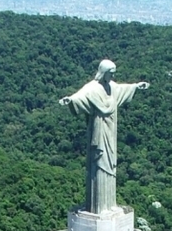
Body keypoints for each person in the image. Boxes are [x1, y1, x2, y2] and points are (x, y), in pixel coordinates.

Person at [60, 60, 149, 214]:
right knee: (98, 165)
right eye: (110, 73)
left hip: (111, 131)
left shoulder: (112, 87)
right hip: (98, 132)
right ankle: (98, 206)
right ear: (103, 72)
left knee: (111, 165)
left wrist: (136, 86)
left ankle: (110, 204)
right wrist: (70, 100)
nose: (113, 76)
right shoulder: (92, 88)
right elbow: (79, 97)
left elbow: (123, 89)